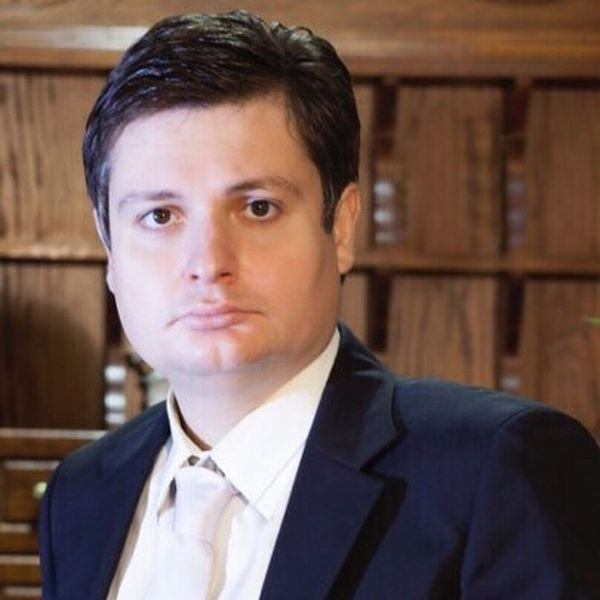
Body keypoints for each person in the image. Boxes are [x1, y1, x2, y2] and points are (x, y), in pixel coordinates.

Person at [39, 10, 600, 600]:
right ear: (110, 247)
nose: (208, 262)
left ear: (341, 226)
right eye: (160, 216)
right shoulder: (82, 493)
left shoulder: (498, 470)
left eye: (257, 208)